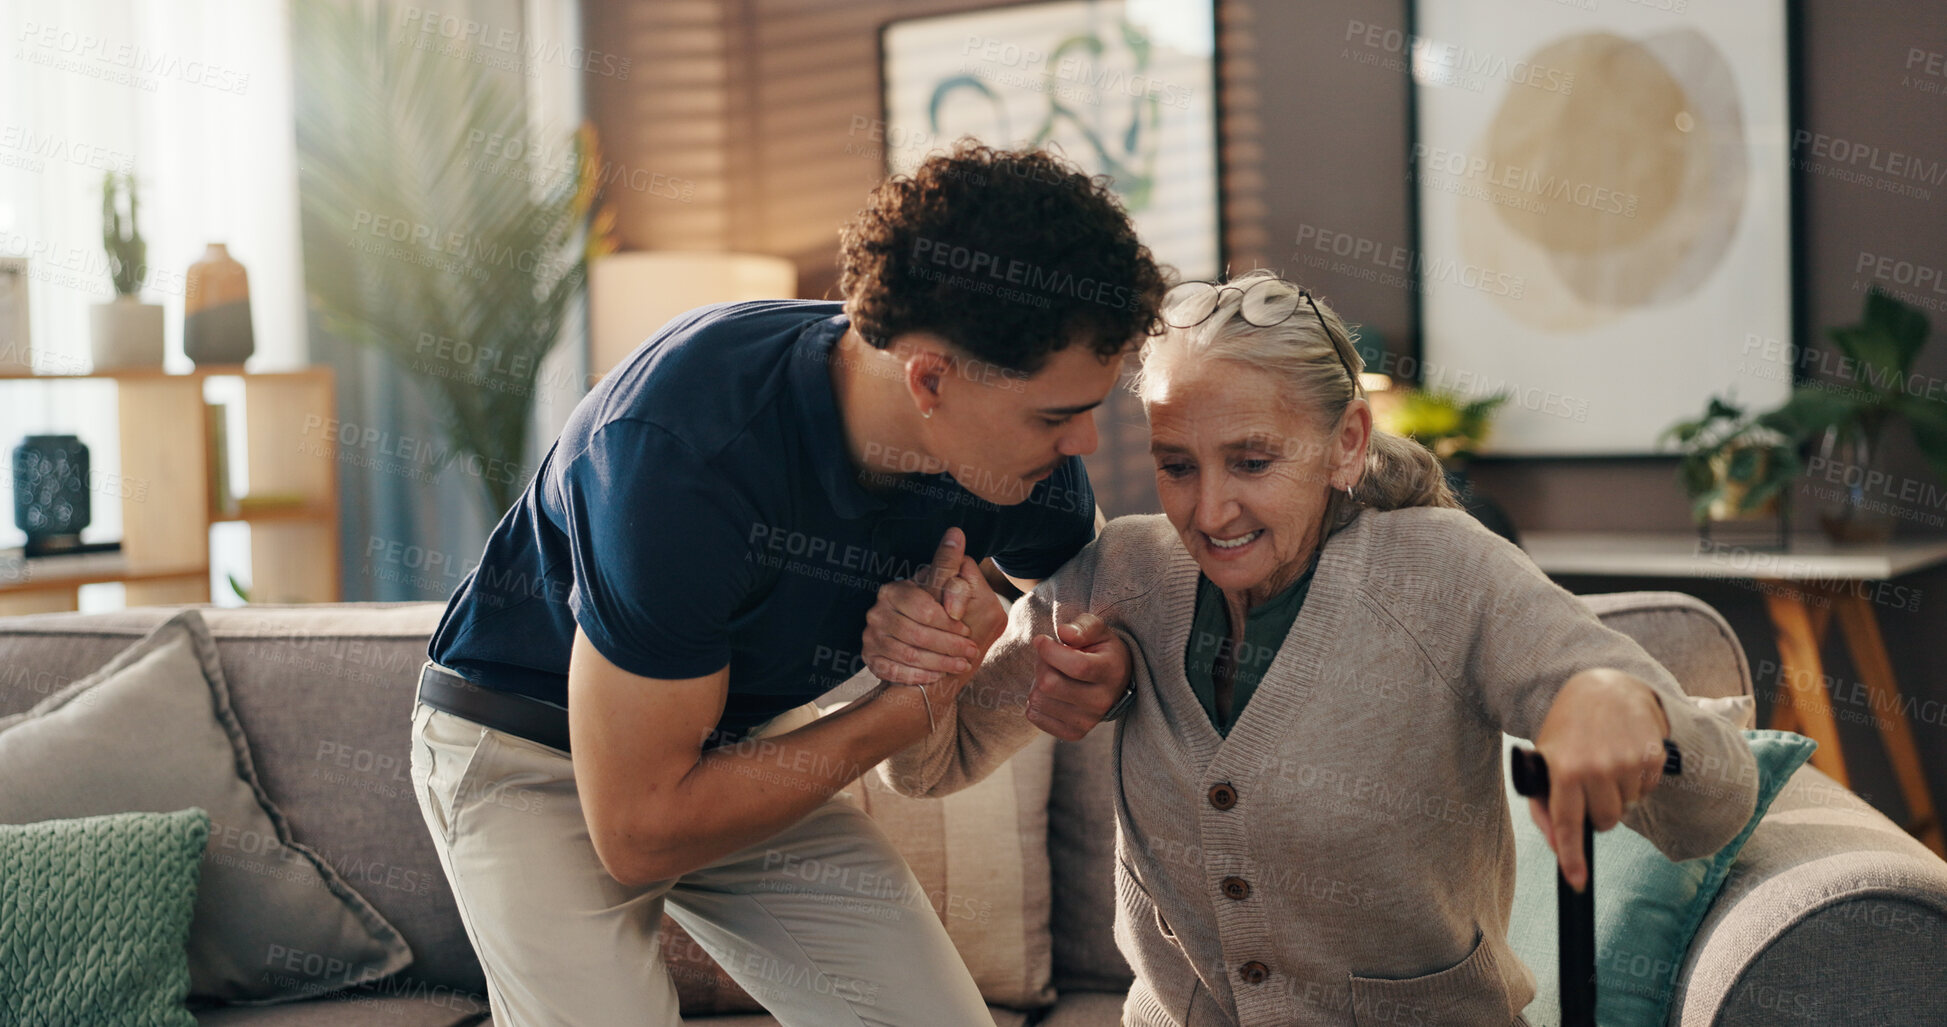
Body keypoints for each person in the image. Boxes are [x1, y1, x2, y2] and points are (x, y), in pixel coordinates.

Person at [865, 270, 1762, 1026]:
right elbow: (927, 769)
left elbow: (1717, 802)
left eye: (1252, 462)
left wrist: (1630, 707)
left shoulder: (1443, 572)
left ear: (1345, 443)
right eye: (1178, 465)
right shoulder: (1124, 574)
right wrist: (926, 662)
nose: (1208, 512)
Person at [407, 142, 1157, 1026]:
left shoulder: (1011, 451)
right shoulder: (682, 452)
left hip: (742, 750)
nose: (1084, 448)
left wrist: (1068, 662)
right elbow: (638, 832)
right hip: (527, 753)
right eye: (1058, 417)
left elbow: (1092, 611)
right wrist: (903, 705)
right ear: (928, 378)